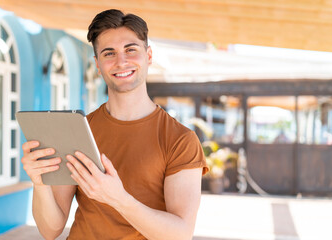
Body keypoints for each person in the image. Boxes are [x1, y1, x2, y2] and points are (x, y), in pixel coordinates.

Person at [21, 9, 208, 240]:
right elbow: (50, 230)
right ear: (98, 65)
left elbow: (179, 235)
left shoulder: (180, 140)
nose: (121, 61)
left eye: (131, 50)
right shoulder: (78, 130)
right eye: (109, 53)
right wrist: (39, 183)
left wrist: (118, 198)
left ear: (148, 56)